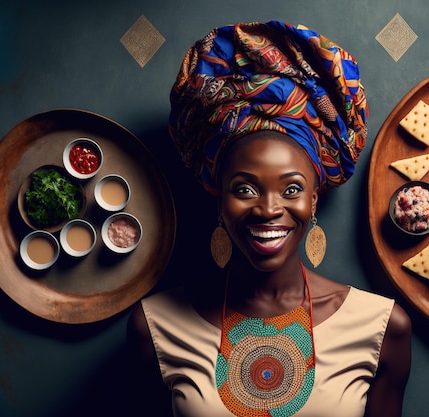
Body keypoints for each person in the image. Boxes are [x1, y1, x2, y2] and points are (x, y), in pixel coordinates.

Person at [127, 21, 411, 417]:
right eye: (244, 189)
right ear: (218, 198)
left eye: (291, 189)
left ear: (315, 198)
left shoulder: (382, 329)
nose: (268, 209)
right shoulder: (152, 328)